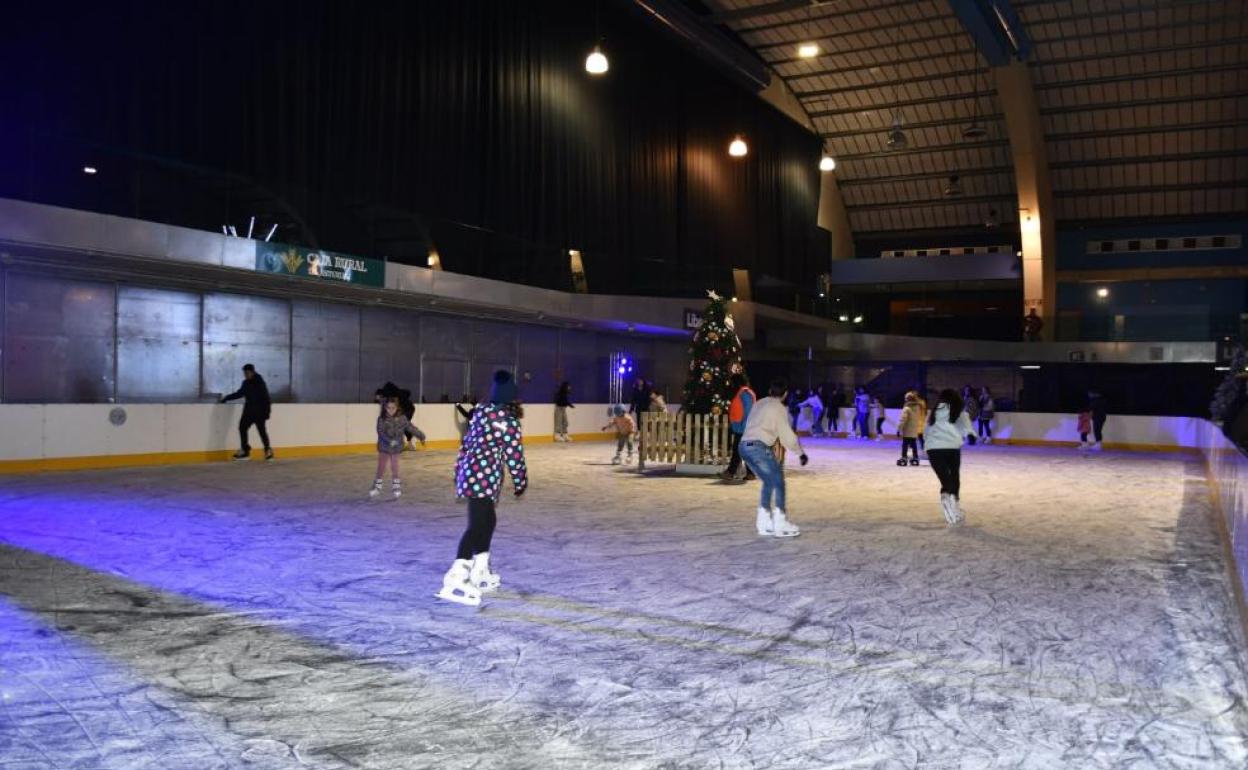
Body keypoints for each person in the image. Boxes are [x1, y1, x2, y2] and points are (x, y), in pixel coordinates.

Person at [438, 370, 528, 607]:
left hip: (472, 474)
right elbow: (514, 454)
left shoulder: (480, 413)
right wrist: (520, 481)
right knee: (477, 526)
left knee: (488, 521)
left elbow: (465, 443)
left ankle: (480, 569)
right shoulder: (508, 422)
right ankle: (456, 576)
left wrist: (459, 470)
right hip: (484, 479)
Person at [739, 378, 808, 538]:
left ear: (770, 391)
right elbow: (786, 436)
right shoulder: (779, 408)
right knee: (778, 481)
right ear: (785, 394)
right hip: (758, 447)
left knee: (769, 481)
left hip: (744, 446)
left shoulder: (759, 403)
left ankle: (763, 522)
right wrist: (800, 453)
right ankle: (780, 522)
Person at [926, 388, 976, 526]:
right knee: (954, 475)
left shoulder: (934, 412)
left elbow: (927, 429)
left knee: (945, 478)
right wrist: (971, 435)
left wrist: (925, 446)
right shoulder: (960, 412)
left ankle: (946, 496)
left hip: (933, 449)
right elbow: (967, 429)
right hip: (952, 448)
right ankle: (954, 504)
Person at [370, 397, 426, 499]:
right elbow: (380, 432)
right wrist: (389, 441)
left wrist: (421, 436)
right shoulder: (381, 419)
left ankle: (396, 487)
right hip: (384, 446)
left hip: (396, 446)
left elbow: (411, 428)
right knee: (381, 467)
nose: (391, 410)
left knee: (395, 467)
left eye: (393, 408)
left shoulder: (402, 419)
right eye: (388, 408)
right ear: (385, 408)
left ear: (397, 408)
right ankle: (377, 487)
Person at [221, 363, 273, 461]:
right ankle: (245, 451)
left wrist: (267, 412)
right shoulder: (245, 383)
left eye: (247, 373)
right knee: (242, 428)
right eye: (244, 373)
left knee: (261, 431)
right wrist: (226, 398)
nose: (246, 375)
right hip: (248, 411)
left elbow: (266, 398)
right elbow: (240, 393)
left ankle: (268, 451)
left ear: (253, 372)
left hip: (259, 411)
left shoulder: (259, 382)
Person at [721, 373, 757, 482]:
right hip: (743, 427)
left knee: (738, 450)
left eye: (732, 382)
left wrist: (743, 426)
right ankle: (750, 473)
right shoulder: (743, 393)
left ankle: (730, 472)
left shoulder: (744, 394)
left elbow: (747, 411)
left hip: (744, 428)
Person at [896, 391, 923, 466]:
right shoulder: (917, 407)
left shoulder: (906, 408)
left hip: (907, 430)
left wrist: (899, 429)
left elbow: (903, 419)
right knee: (913, 444)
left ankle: (904, 457)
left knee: (905, 445)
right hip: (914, 429)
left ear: (907, 399)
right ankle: (915, 457)